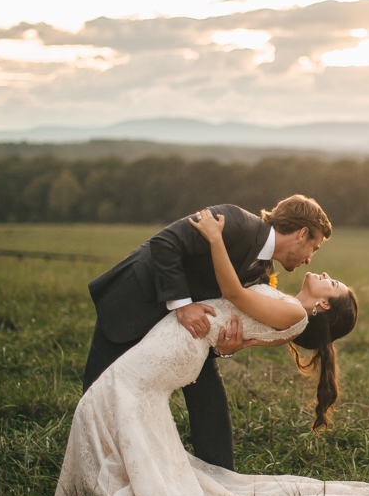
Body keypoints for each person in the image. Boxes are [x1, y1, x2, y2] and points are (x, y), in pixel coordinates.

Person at [54, 209, 369, 496]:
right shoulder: (281, 297)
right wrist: (224, 345)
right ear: (302, 232)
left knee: (114, 394)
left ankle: (116, 486)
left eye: (332, 282)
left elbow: (232, 293)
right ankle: (123, 479)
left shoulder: (294, 314)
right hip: (174, 327)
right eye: (315, 247)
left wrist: (215, 238)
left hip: (183, 339)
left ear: (324, 305)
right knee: (118, 398)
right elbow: (239, 336)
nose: (319, 265)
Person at [81, 195, 330, 471]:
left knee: (209, 397)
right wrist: (182, 305)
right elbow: (165, 243)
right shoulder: (232, 220)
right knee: (97, 391)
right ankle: (98, 474)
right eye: (314, 248)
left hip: (186, 333)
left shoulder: (263, 271)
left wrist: (225, 346)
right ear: (302, 233)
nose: (310, 260)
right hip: (134, 302)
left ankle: (220, 474)